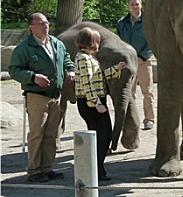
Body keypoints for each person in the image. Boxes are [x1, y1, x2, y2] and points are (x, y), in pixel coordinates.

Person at [8, 13, 75, 182]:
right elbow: (14, 70)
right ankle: (34, 170)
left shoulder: (56, 43)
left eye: (46, 23)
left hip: (56, 96)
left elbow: (66, 58)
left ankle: (47, 167)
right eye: (41, 23)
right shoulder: (24, 48)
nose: (46, 26)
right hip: (37, 97)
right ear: (31, 27)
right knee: (37, 134)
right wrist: (33, 77)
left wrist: (70, 69)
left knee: (52, 134)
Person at [74, 27, 127, 182]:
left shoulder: (90, 58)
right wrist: (95, 103)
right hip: (90, 102)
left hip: (97, 100)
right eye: (96, 40)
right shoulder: (83, 59)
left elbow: (99, 76)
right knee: (102, 136)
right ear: (90, 42)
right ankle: (95, 170)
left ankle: (98, 168)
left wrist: (116, 69)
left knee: (105, 135)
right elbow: (87, 83)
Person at [116, 0, 155, 130]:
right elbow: (118, 41)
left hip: (143, 62)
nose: (134, 6)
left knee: (147, 91)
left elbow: (152, 41)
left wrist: (142, 57)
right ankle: (131, 119)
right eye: (132, 4)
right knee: (129, 92)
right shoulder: (122, 22)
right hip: (128, 62)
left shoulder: (148, 21)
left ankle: (149, 119)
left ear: (141, 5)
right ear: (128, 6)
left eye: (137, 4)